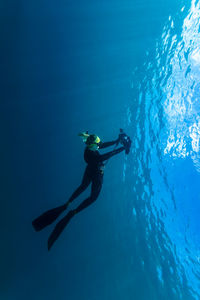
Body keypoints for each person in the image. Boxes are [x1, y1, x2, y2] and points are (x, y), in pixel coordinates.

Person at [32, 131, 131, 250]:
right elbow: (104, 156)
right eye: (97, 144)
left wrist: (116, 141)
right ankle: (73, 211)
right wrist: (122, 148)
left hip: (90, 170)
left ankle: (67, 204)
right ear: (92, 144)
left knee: (83, 187)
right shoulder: (92, 154)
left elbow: (102, 145)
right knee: (93, 197)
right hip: (96, 172)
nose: (99, 145)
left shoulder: (90, 147)